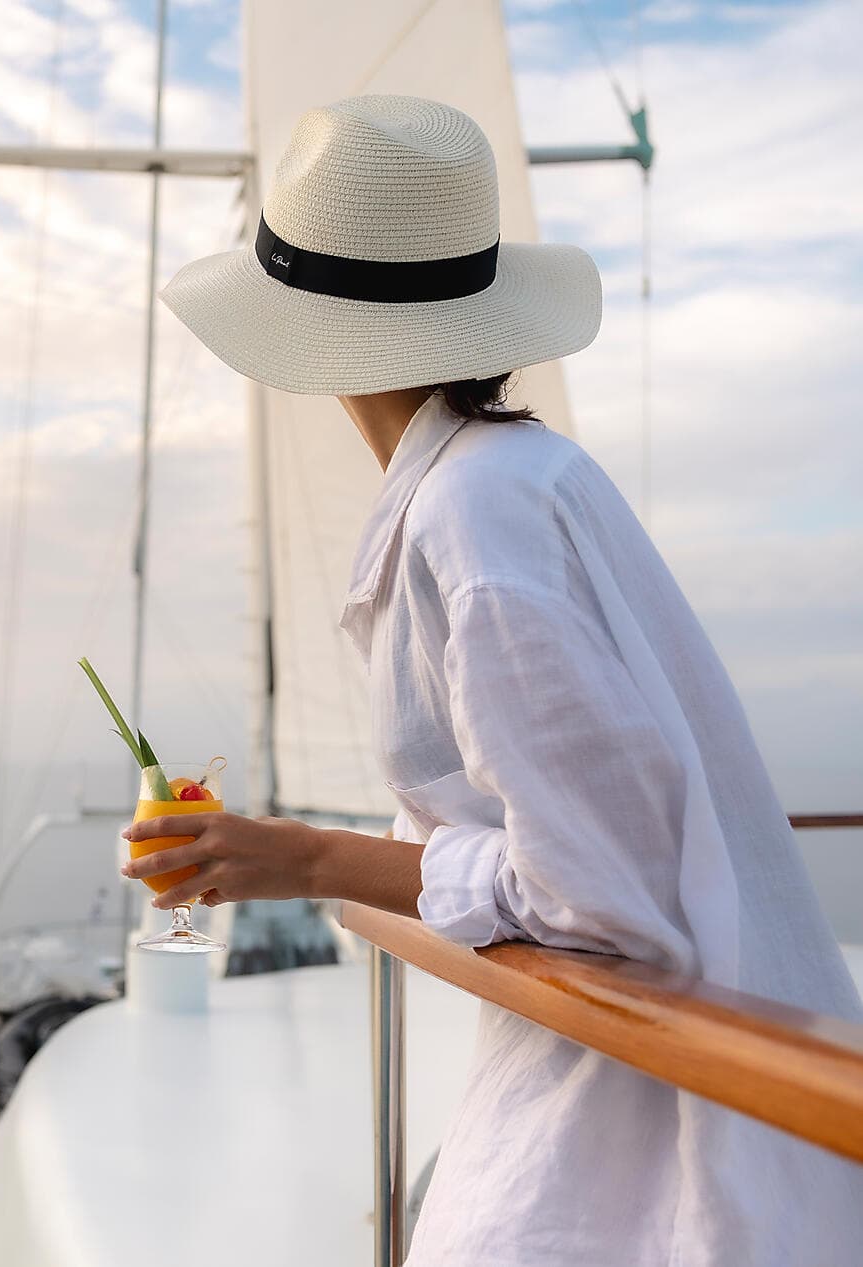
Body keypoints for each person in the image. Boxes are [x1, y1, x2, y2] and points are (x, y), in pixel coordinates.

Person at [121, 93, 863, 1265]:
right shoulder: (514, 477)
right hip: (642, 1099)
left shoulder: (475, 515)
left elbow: (602, 897)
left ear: (307, 336)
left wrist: (304, 859)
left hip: (639, 1143)